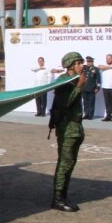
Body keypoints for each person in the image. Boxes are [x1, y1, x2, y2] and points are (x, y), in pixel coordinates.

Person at [48, 52, 87, 212]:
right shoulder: (64, 82)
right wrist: (78, 87)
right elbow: (65, 104)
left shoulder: (74, 80)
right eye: (78, 63)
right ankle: (57, 199)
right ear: (70, 65)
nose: (81, 65)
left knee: (70, 163)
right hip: (66, 128)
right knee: (64, 163)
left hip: (75, 127)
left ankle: (63, 196)